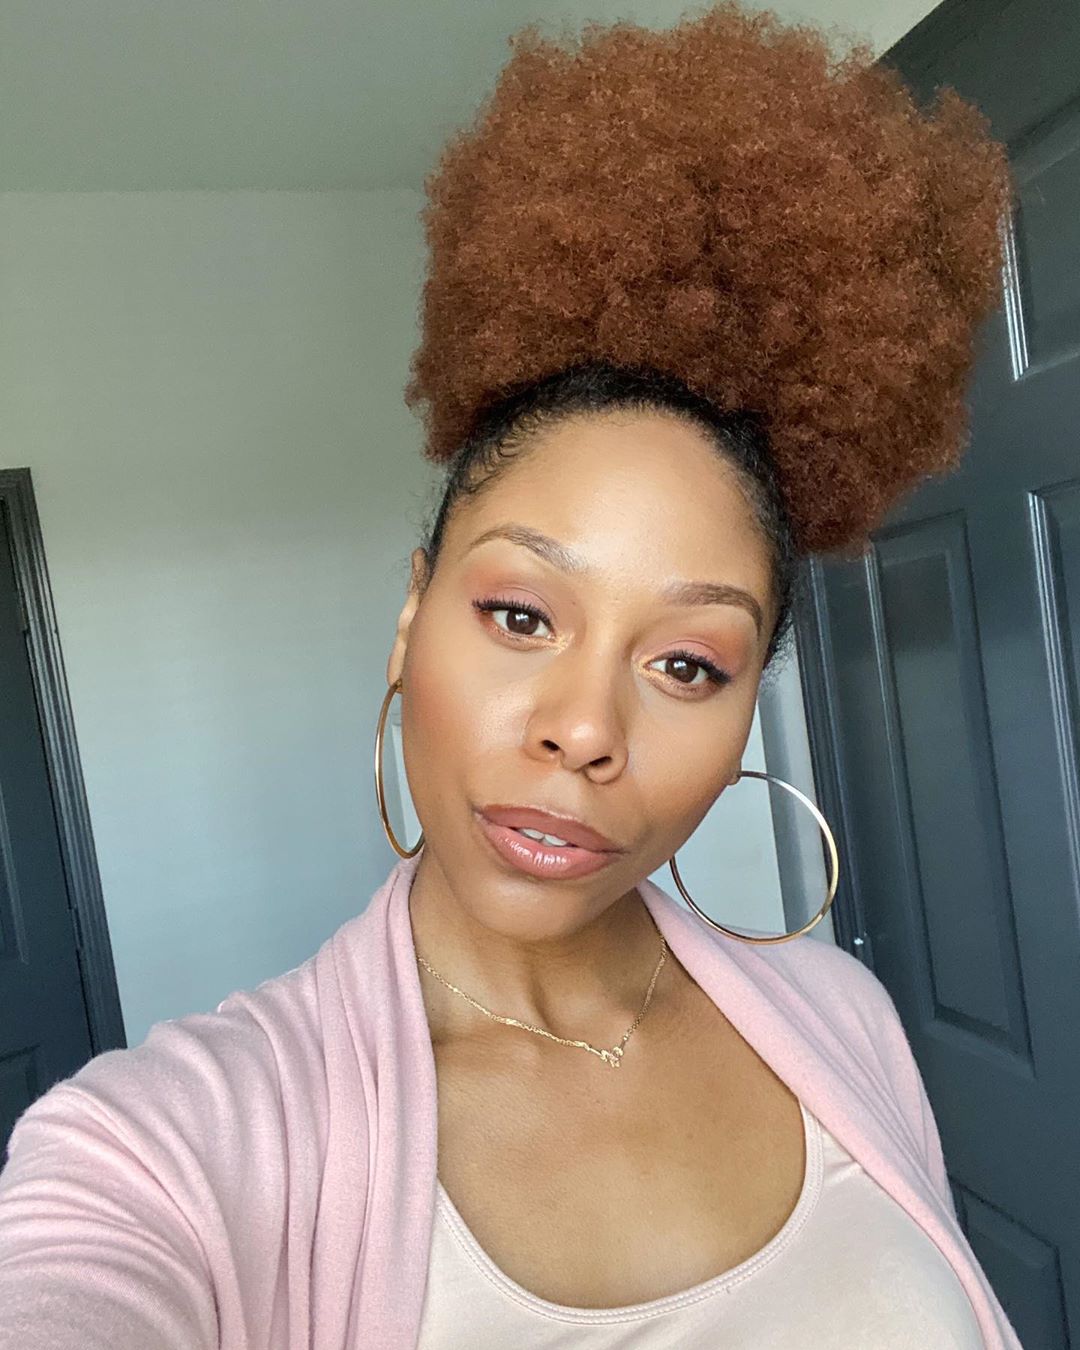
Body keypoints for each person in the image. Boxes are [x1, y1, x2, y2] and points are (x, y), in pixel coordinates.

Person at [0, 3, 1022, 1347]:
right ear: (412, 616)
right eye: (522, 614)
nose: (584, 728)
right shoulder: (170, 1148)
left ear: (748, 709)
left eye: (686, 661)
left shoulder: (848, 1019)